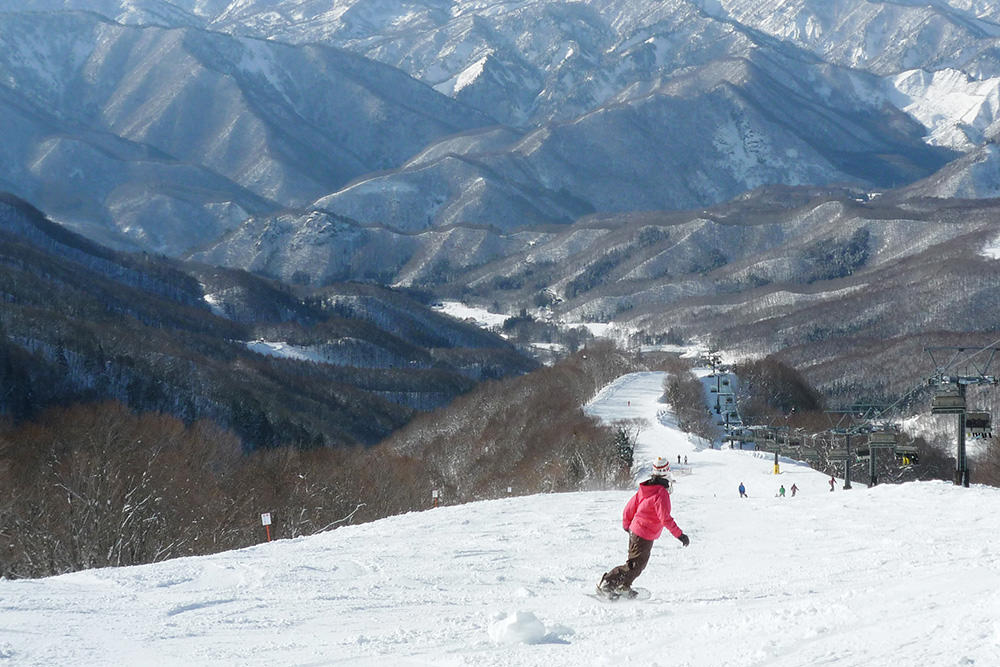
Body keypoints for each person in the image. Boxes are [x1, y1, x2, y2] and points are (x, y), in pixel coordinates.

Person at [598, 457, 689, 598]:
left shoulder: (647, 488)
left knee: (635, 564)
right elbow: (664, 517)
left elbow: (629, 507)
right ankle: (608, 583)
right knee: (636, 565)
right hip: (644, 534)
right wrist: (679, 535)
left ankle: (623, 586)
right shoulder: (661, 493)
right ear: (666, 474)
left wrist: (627, 525)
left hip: (637, 531)